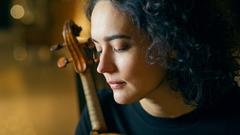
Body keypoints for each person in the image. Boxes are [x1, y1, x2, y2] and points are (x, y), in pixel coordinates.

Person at [76, 0, 240, 134]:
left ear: (170, 42)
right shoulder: (100, 113)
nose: (102, 67)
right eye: (97, 49)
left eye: (120, 47)